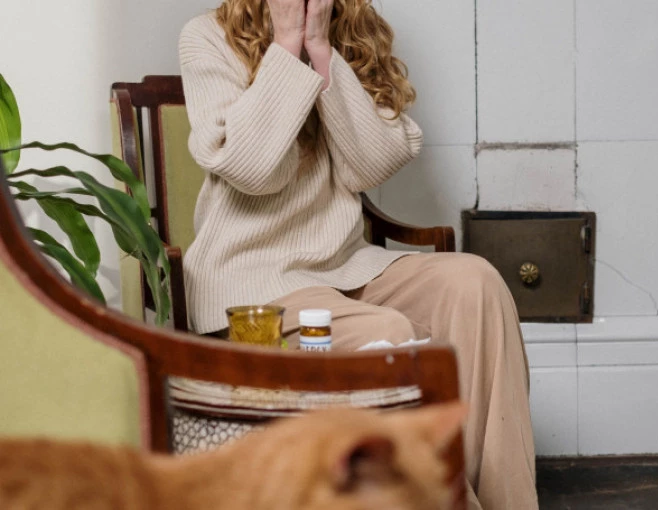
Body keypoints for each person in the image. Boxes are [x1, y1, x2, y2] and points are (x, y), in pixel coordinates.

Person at [178, 0, 538, 508]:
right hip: (254, 283)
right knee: (386, 333)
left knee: (476, 284)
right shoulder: (205, 36)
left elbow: (369, 167)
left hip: (346, 266)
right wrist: (286, 46)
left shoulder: (349, 30)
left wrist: (320, 49)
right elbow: (254, 172)